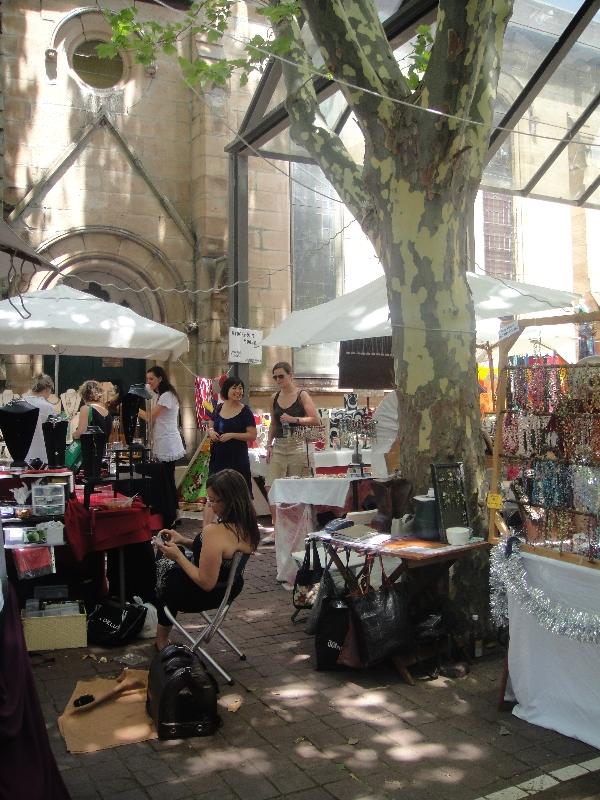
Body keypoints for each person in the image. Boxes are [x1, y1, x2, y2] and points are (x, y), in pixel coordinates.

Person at [154, 469, 259, 650]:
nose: (211, 506)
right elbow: (215, 554)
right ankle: (160, 634)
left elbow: (205, 582)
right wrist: (183, 541)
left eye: (215, 500)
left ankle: (161, 640)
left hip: (201, 594)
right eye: (210, 500)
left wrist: (177, 556)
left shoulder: (215, 532)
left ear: (231, 500)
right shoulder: (248, 528)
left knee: (161, 567)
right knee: (171, 554)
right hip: (227, 590)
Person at [139, 366, 186, 527]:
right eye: (148, 379)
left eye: (152, 379)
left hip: (168, 443)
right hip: (162, 440)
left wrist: (133, 409)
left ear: (160, 378)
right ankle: (173, 511)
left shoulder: (167, 396)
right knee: (167, 479)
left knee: (168, 480)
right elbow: (144, 389)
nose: (149, 382)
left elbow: (150, 417)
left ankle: (171, 512)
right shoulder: (160, 393)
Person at [266, 361, 320, 485]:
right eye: (275, 377)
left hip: (298, 445)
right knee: (271, 485)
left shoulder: (302, 395)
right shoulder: (274, 397)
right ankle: (276, 505)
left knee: (297, 486)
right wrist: (269, 445)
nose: (278, 380)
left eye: (281, 376)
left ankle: (296, 505)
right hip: (279, 445)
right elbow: (273, 424)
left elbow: (316, 420)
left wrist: (294, 419)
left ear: (290, 376)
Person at [207, 376, 256, 504]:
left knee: (239, 494)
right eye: (234, 388)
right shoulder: (218, 408)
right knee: (216, 493)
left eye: (240, 388)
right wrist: (211, 432)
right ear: (226, 390)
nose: (238, 391)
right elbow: (211, 423)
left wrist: (232, 435)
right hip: (218, 457)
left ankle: (242, 521)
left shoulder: (245, 411)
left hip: (237, 459)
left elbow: (252, 435)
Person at [23, 373, 56, 466]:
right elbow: (54, 430)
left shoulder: (21, 402)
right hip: (42, 452)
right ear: (47, 388)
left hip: (22, 454)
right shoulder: (48, 407)